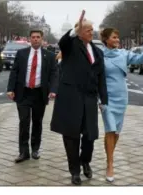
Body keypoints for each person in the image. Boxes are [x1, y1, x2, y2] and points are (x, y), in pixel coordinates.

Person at [50, 11, 108, 186]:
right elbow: (63, 42)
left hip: (89, 98)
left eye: (92, 29)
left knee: (90, 135)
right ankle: (74, 170)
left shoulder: (97, 51)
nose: (92, 32)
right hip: (71, 98)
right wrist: (75, 29)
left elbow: (100, 76)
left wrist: (103, 99)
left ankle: (85, 161)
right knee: (71, 136)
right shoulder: (71, 45)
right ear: (80, 31)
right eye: (88, 30)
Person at [99, 25, 143, 182]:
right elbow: (94, 77)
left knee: (116, 132)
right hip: (107, 98)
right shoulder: (99, 55)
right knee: (110, 129)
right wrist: (98, 98)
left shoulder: (123, 54)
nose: (117, 40)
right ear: (106, 40)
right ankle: (110, 164)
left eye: (117, 37)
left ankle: (110, 156)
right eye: (114, 37)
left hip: (121, 96)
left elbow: (141, 59)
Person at [6, 30, 59, 163]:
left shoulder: (50, 55)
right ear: (30, 39)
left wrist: (53, 90)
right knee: (24, 122)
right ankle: (23, 152)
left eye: (38, 37)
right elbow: (14, 72)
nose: (35, 39)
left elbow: (54, 74)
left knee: (37, 122)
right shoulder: (21, 54)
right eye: (33, 37)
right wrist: (10, 89)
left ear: (42, 39)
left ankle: (35, 149)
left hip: (39, 93)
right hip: (23, 93)